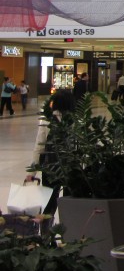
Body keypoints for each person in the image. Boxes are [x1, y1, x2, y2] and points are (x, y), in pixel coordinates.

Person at [25, 90, 75, 233]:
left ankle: (47, 236)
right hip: (70, 167)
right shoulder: (75, 120)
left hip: (51, 167)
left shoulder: (47, 120)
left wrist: (32, 171)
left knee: (49, 202)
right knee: (69, 202)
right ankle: (69, 235)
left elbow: (39, 145)